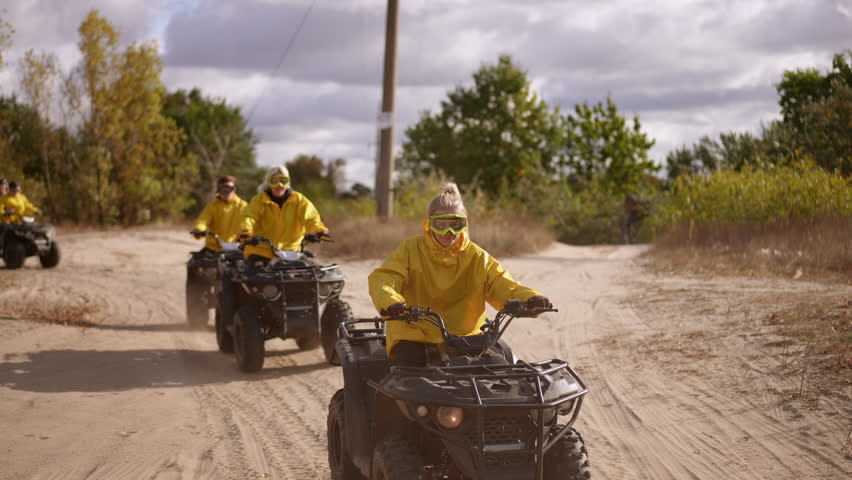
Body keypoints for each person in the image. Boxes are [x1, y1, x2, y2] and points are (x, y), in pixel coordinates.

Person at [368, 183, 551, 366]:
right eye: (441, 225)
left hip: (466, 338)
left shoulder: (477, 256)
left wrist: (531, 299)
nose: (449, 233)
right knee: (411, 376)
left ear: (464, 225)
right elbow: (385, 278)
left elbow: (503, 285)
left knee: (498, 369)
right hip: (415, 333)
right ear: (429, 224)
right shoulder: (410, 249)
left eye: (455, 225)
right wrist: (391, 303)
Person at [239, 165, 329, 262]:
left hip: (292, 252)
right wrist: (246, 232)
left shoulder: (299, 200)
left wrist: (319, 231)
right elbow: (249, 217)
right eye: (274, 181)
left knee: (313, 271)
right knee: (256, 274)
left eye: (283, 181)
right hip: (262, 251)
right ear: (268, 183)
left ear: (288, 182)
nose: (279, 185)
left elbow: (311, 219)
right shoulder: (259, 201)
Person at [190, 176, 248, 252]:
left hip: (236, 248)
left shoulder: (243, 206)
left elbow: (248, 221)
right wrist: (199, 229)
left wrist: (247, 232)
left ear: (234, 190)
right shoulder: (212, 206)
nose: (227, 192)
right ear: (219, 190)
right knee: (198, 261)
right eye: (224, 189)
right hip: (214, 248)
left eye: (230, 189)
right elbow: (203, 220)